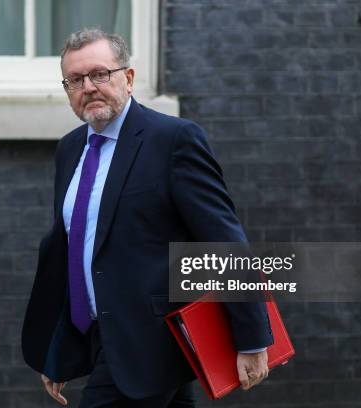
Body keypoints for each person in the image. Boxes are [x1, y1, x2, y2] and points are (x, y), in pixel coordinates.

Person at [22, 28, 273, 407]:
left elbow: (223, 238)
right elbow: (75, 252)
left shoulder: (173, 140)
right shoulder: (70, 149)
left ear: (129, 78)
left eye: (100, 74)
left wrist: (252, 337)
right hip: (104, 338)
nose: (88, 87)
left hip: (152, 340)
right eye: (75, 80)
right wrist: (58, 351)